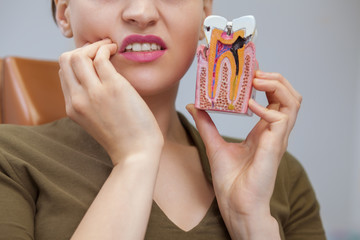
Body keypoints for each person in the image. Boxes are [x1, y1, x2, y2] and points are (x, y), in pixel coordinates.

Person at [0, 0, 326, 239]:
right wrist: (136, 159)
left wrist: (250, 221)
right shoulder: (9, 159)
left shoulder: (277, 174)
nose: (141, 13)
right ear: (64, 12)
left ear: (205, 14)